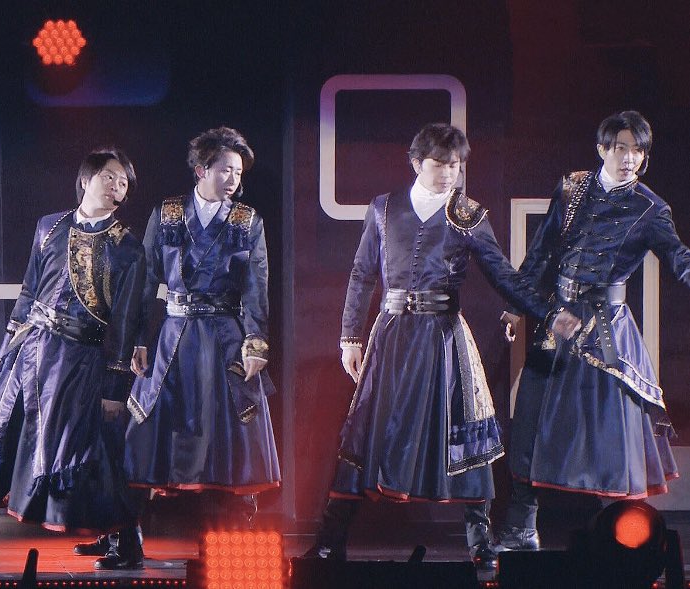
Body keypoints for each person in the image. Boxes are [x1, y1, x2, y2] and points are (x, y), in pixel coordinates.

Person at [301, 123, 579, 570]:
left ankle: (480, 543)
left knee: (464, 430)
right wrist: (350, 336)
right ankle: (331, 541)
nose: (449, 173)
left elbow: (503, 275)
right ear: (417, 163)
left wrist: (547, 312)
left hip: (443, 338)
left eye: (456, 165)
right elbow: (362, 274)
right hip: (392, 337)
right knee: (365, 432)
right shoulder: (383, 208)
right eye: (440, 164)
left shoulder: (469, 215)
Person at [0, 148, 146, 567]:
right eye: (110, 177)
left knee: (91, 451)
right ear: (86, 179)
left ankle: (126, 544)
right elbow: (28, 291)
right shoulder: (49, 225)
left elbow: (126, 321)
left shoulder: (128, 248)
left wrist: (115, 387)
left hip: (79, 363)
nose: (117, 187)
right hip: (30, 354)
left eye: (124, 183)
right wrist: (5, 350)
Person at [495, 111, 688, 551]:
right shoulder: (572, 188)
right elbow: (542, 251)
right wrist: (515, 307)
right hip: (558, 320)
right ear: (603, 149)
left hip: (606, 330)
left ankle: (623, 540)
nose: (630, 158)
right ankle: (521, 529)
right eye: (622, 148)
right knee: (530, 422)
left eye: (638, 150)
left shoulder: (651, 209)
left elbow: (678, 258)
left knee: (610, 433)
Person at [107, 126, 280, 571]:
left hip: (224, 340)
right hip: (173, 336)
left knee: (230, 439)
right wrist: (139, 340)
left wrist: (255, 344)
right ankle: (127, 539)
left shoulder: (247, 221)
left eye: (238, 172)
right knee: (141, 435)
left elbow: (256, 287)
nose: (233, 179)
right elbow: (146, 279)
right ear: (202, 170)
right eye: (225, 170)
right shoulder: (167, 213)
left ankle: (225, 545)